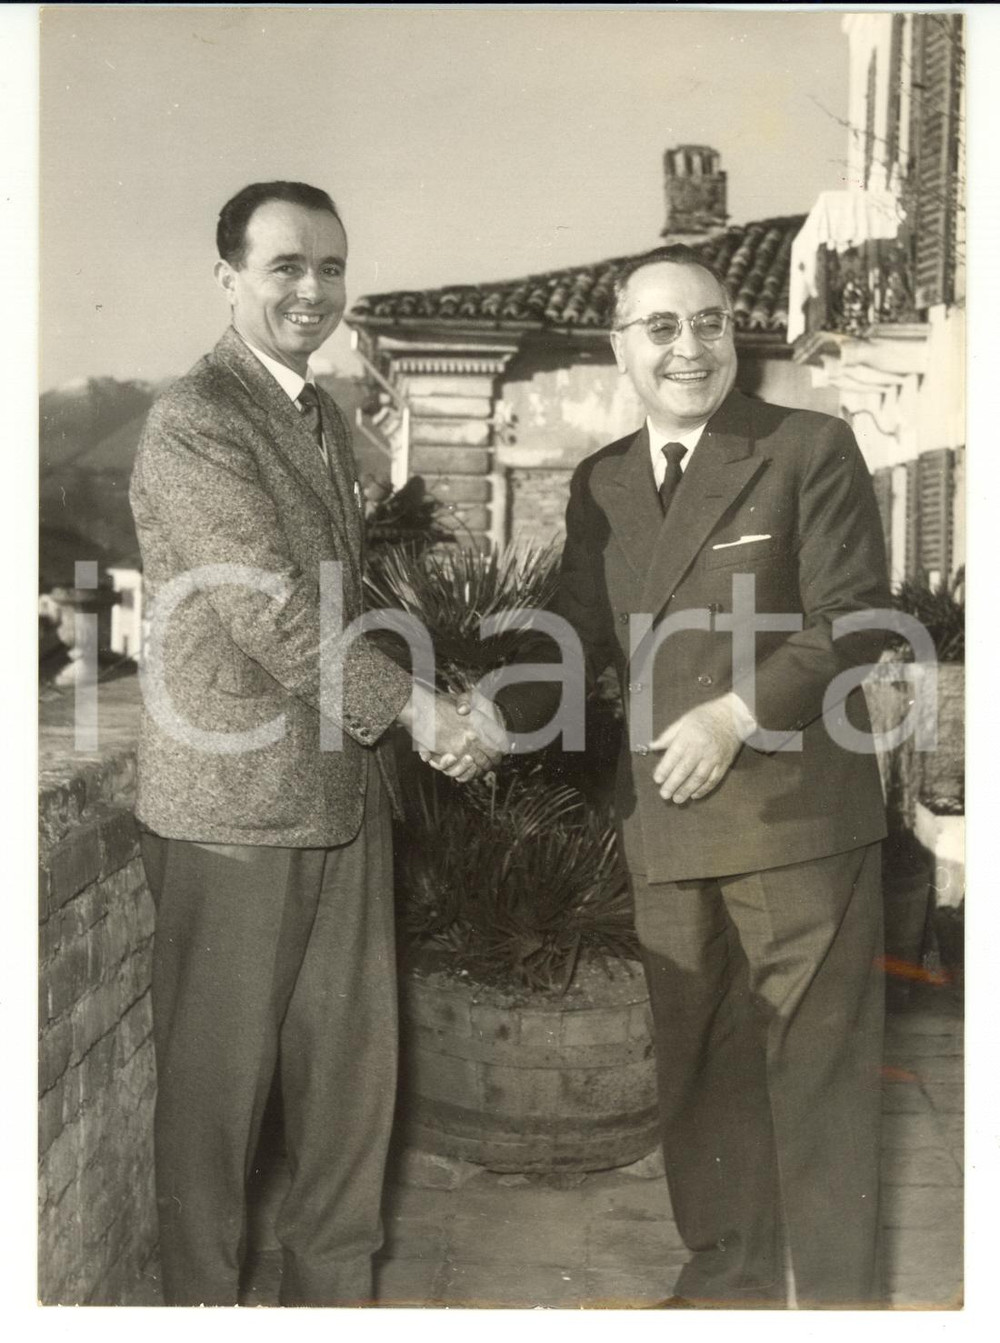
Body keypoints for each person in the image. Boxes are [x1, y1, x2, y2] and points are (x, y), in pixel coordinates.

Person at [488, 245, 891, 1309]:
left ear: (734, 335)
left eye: (708, 322)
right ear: (619, 346)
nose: (688, 347)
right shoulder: (603, 480)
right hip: (664, 818)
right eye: (660, 328)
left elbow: (850, 616)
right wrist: (490, 716)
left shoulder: (807, 446)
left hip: (794, 810)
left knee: (818, 1077)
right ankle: (729, 1283)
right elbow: (572, 638)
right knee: (700, 1068)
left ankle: (842, 1308)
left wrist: (735, 709)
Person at [129, 180, 501, 1307]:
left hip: (343, 799)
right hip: (234, 813)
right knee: (217, 1104)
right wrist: (416, 712)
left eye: (331, 267)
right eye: (286, 265)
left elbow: (339, 605)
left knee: (349, 1097)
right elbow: (271, 608)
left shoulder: (320, 414)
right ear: (228, 277)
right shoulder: (195, 415)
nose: (313, 288)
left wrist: (436, 691)